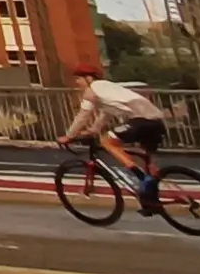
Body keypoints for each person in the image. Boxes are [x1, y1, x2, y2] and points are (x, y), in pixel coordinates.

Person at [58, 68, 166, 205]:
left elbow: (83, 115)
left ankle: (140, 175)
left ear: (89, 78)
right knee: (147, 158)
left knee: (107, 141)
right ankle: (152, 200)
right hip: (157, 121)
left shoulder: (91, 90)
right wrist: (94, 130)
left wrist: (69, 136)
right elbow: (106, 113)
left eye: (79, 79)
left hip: (141, 120)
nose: (77, 82)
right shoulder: (108, 88)